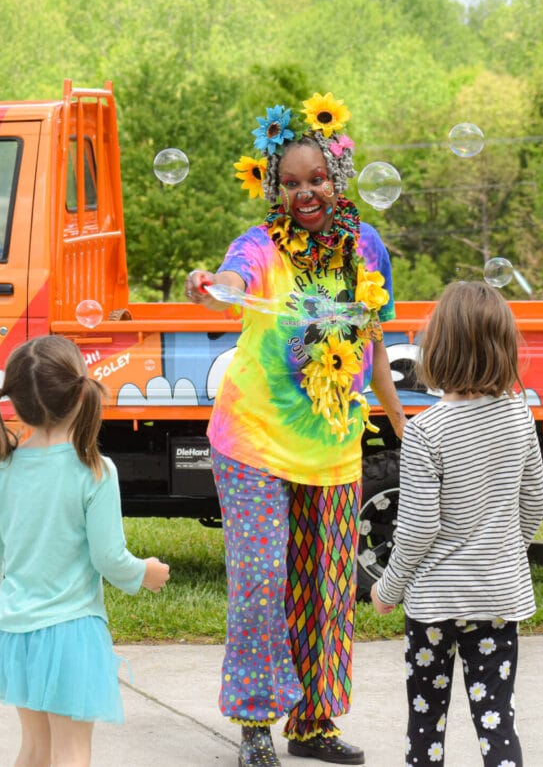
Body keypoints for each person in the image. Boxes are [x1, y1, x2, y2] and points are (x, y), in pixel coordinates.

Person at [186, 93, 406, 766]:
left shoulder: (367, 248)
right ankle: (256, 721)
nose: (304, 192)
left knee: (329, 587)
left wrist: (405, 425)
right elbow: (234, 277)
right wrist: (214, 285)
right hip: (253, 439)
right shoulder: (258, 246)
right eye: (290, 183)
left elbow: (372, 349)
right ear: (274, 189)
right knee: (261, 580)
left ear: (337, 178)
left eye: (315, 179)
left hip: (334, 444)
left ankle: (313, 723)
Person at [0, 335, 171, 767]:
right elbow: (108, 556)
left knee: (34, 748)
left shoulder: (5, 466)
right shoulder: (94, 469)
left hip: (15, 631)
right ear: (79, 393)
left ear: (14, 401)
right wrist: (144, 573)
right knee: (72, 750)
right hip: (71, 632)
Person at [369, 280, 543, 766]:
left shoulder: (427, 430)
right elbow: (534, 500)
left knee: (426, 720)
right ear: (504, 348)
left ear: (439, 349)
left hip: (434, 605)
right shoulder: (519, 416)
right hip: (496, 596)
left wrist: (388, 588)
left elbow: (419, 528)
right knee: (496, 718)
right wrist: (504, 554)